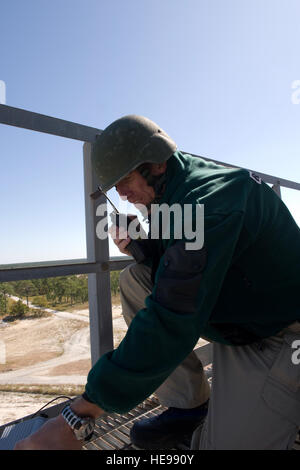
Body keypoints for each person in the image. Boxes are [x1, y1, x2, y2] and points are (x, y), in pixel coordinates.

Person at [15, 115, 300, 450]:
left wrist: (79, 415)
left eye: (124, 179)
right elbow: (190, 267)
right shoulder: (175, 190)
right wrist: (148, 250)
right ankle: (189, 407)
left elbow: (171, 316)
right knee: (136, 278)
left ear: (157, 164)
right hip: (241, 316)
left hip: (281, 334)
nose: (120, 193)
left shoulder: (207, 202)